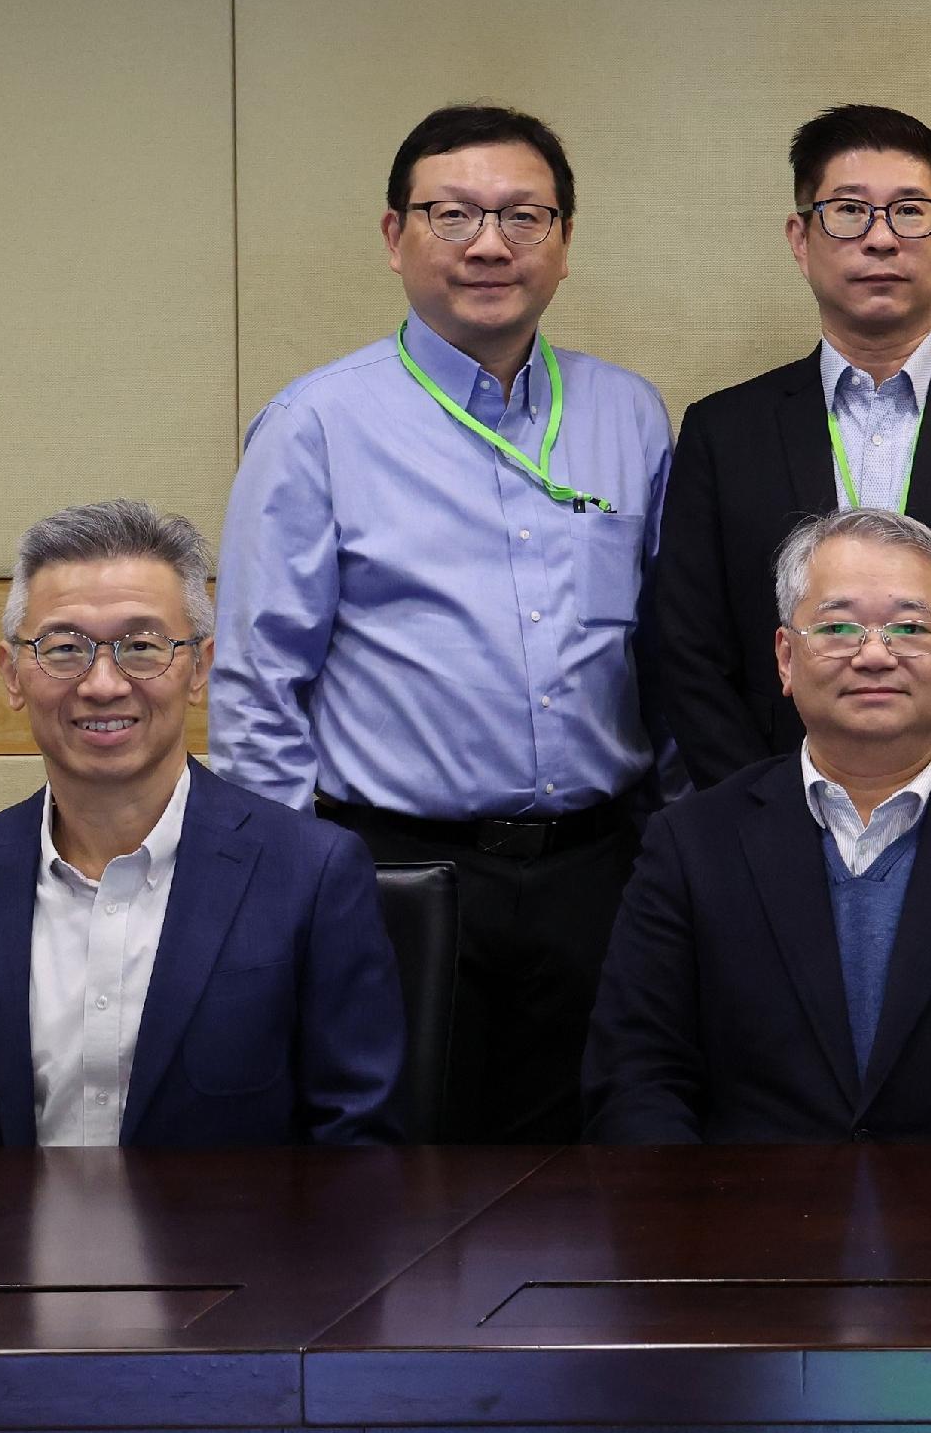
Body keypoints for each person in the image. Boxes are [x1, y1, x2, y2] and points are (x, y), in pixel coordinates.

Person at [213, 103, 672, 1144]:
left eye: (523, 215)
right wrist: (297, 886)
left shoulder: (628, 415)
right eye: (453, 213)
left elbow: (667, 654)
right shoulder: (316, 424)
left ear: (563, 242)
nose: (488, 243)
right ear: (394, 236)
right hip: (396, 872)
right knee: (398, 1179)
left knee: (593, 1179)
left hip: (597, 873)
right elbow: (256, 681)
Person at [582, 510, 931, 1144]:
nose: (874, 654)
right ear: (786, 659)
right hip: (744, 1226)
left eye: (909, 627)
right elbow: (634, 1080)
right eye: (838, 626)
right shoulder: (690, 845)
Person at [0, 501, 403, 1148]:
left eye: (141, 647)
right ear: (12, 674)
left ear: (199, 669)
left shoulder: (313, 876)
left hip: (238, 1251)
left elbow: (360, 1159)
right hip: (6, 1251)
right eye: (64, 648)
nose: (103, 684)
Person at [645, 104, 931, 796]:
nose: (881, 239)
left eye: (909, 212)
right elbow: (686, 653)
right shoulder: (722, 432)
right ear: (801, 239)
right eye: (849, 212)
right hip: (767, 829)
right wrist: (765, 815)